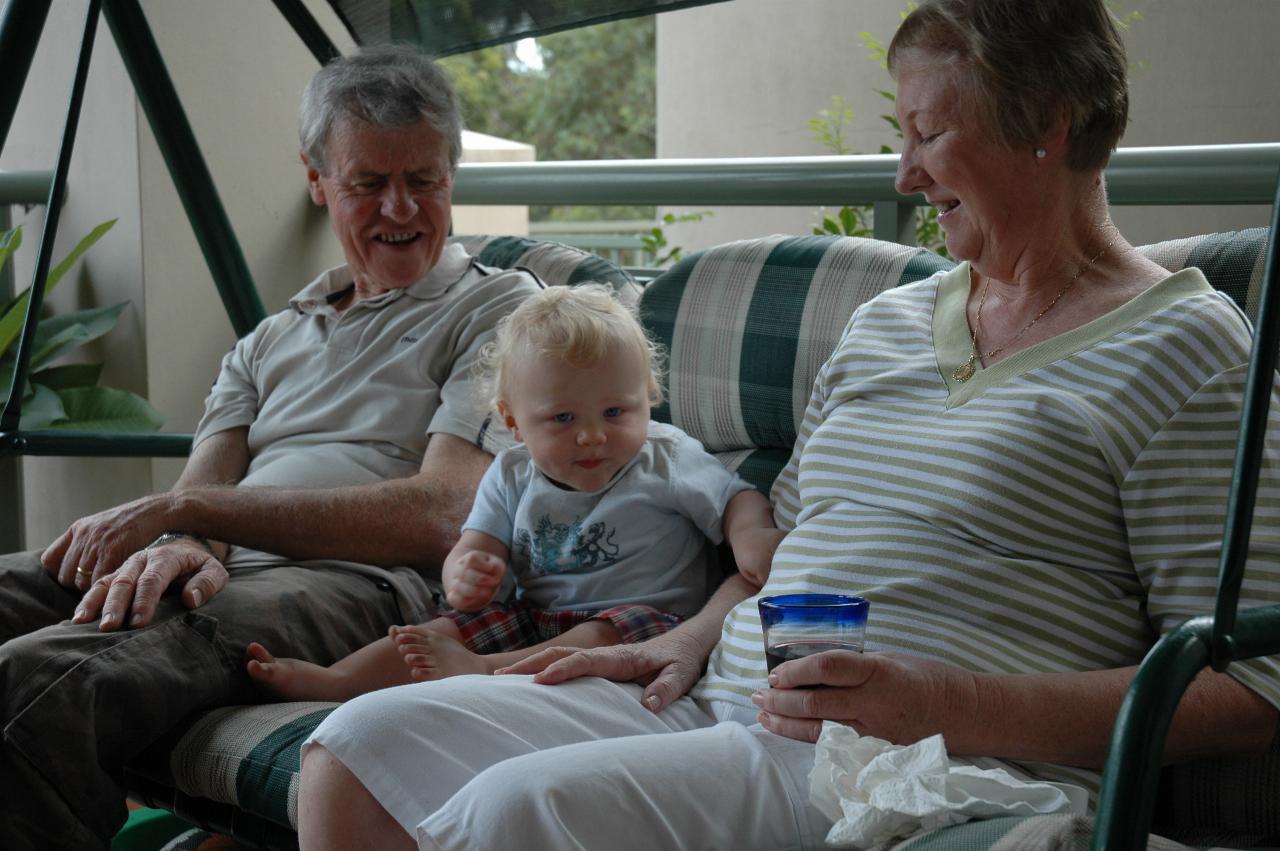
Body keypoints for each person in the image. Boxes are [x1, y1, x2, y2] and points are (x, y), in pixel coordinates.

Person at [297, 2, 1280, 849]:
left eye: (928, 135)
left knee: (520, 808)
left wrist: (944, 702)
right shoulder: (887, 322)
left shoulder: (1185, 349)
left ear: (1048, 125)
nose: (903, 175)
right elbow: (784, 553)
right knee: (352, 748)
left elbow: (1249, 687)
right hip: (722, 694)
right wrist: (678, 641)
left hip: (900, 764)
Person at [0, 45, 545, 850]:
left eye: (424, 179)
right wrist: (185, 540)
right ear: (317, 179)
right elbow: (201, 501)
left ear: (451, 178)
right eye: (368, 183)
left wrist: (191, 513)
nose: (401, 207)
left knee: (38, 680)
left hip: (367, 588)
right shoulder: (269, 339)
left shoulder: (498, 308)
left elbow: (441, 514)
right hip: (236, 575)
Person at [243, 285, 780, 698]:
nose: (592, 434)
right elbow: (477, 545)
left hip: (641, 624)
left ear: (649, 397)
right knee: (442, 628)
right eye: (563, 417)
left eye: (616, 411)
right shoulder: (510, 473)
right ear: (513, 420)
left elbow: (735, 498)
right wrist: (465, 574)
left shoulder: (666, 457)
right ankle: (337, 682)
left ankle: (483, 671)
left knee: (603, 633)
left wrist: (751, 533)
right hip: (532, 617)